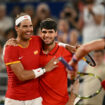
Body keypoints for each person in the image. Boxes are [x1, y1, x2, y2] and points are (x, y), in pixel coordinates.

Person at [3, 13, 59, 105]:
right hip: (14, 100)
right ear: (17, 28)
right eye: (25, 26)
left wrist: (68, 46)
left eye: (30, 26)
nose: (29, 29)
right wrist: (44, 69)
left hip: (35, 99)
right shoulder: (11, 47)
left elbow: (52, 43)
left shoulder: (36, 40)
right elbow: (22, 76)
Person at [38, 18, 77, 105]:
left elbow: (75, 80)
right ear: (40, 33)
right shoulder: (35, 51)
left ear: (56, 33)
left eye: (50, 32)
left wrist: (71, 101)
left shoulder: (66, 53)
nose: (47, 35)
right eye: (44, 32)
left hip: (62, 103)